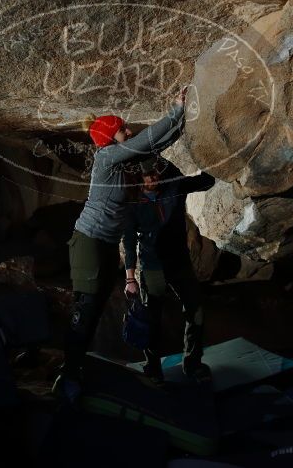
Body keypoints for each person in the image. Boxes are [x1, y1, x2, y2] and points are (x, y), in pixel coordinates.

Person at [53, 88, 188, 403]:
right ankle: (68, 375)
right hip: (89, 241)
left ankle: (76, 365)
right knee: (84, 309)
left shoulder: (125, 162)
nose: (129, 131)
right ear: (111, 137)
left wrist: (180, 125)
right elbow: (145, 141)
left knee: (96, 306)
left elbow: (156, 145)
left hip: (105, 243)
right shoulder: (106, 156)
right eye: (123, 129)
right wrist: (176, 110)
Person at [123, 157, 215, 384]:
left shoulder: (174, 188)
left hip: (179, 263)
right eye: (147, 175)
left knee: (196, 311)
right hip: (152, 266)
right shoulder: (134, 204)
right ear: (139, 178)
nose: (153, 178)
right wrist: (130, 278)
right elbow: (128, 241)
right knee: (152, 319)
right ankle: (153, 367)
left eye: (155, 173)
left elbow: (206, 181)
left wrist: (211, 159)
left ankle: (192, 363)